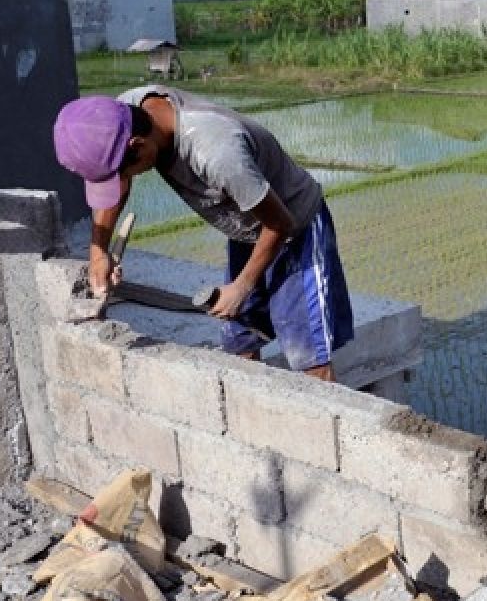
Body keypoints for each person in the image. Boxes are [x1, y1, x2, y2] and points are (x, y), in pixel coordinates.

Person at [53, 87, 354, 381]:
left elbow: (280, 224)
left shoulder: (218, 154)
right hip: (245, 231)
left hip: (293, 228)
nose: (122, 181)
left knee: (307, 354)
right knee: (239, 341)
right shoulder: (123, 113)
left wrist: (242, 286)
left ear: (138, 146)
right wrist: (98, 252)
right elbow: (117, 184)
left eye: (124, 173)